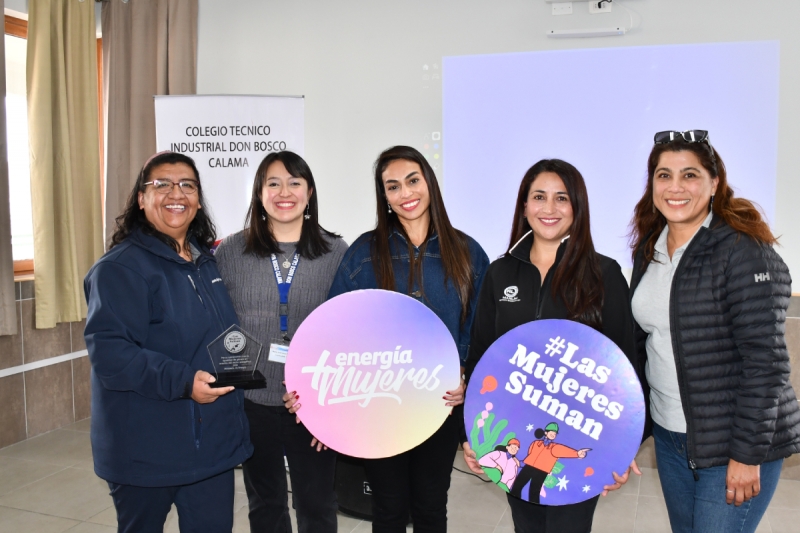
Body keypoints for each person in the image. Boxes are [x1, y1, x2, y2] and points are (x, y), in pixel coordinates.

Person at [628, 130, 800, 533]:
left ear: (714, 182)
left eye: (689, 175)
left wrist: (747, 455)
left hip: (730, 445)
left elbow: (767, 364)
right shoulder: (649, 249)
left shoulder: (743, 250)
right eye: (663, 175)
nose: (675, 187)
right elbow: (646, 346)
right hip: (671, 440)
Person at [313, 145, 489, 532]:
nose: (405, 193)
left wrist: (464, 370)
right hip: (380, 408)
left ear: (429, 183)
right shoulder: (364, 253)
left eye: (413, 181)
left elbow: (480, 325)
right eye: (393, 187)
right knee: (389, 510)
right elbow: (335, 327)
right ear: (384, 197)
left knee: (430, 507)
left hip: (440, 405)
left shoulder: (467, 253)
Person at [462, 159, 640, 533]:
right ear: (524, 206)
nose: (549, 208)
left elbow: (627, 368)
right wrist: (473, 435)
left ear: (577, 208)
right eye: (538, 197)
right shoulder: (500, 272)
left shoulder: (603, 274)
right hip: (515, 433)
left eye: (562, 198)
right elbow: (480, 357)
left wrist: (623, 450)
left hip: (581, 431)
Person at [84, 151, 253, 533]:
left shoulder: (207, 261)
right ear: (141, 199)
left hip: (210, 448)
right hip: (146, 453)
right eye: (162, 184)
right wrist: (182, 382)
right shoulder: (118, 269)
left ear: (197, 199)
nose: (176, 193)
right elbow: (112, 355)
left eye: (187, 185)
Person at [215, 151, 346, 533]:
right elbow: (218, 325)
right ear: (259, 193)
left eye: (294, 183)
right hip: (252, 401)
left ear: (309, 193)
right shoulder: (230, 253)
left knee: (317, 504)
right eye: (273, 183)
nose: (283, 192)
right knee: (265, 503)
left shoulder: (337, 252)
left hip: (313, 404)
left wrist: (330, 410)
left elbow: (349, 333)